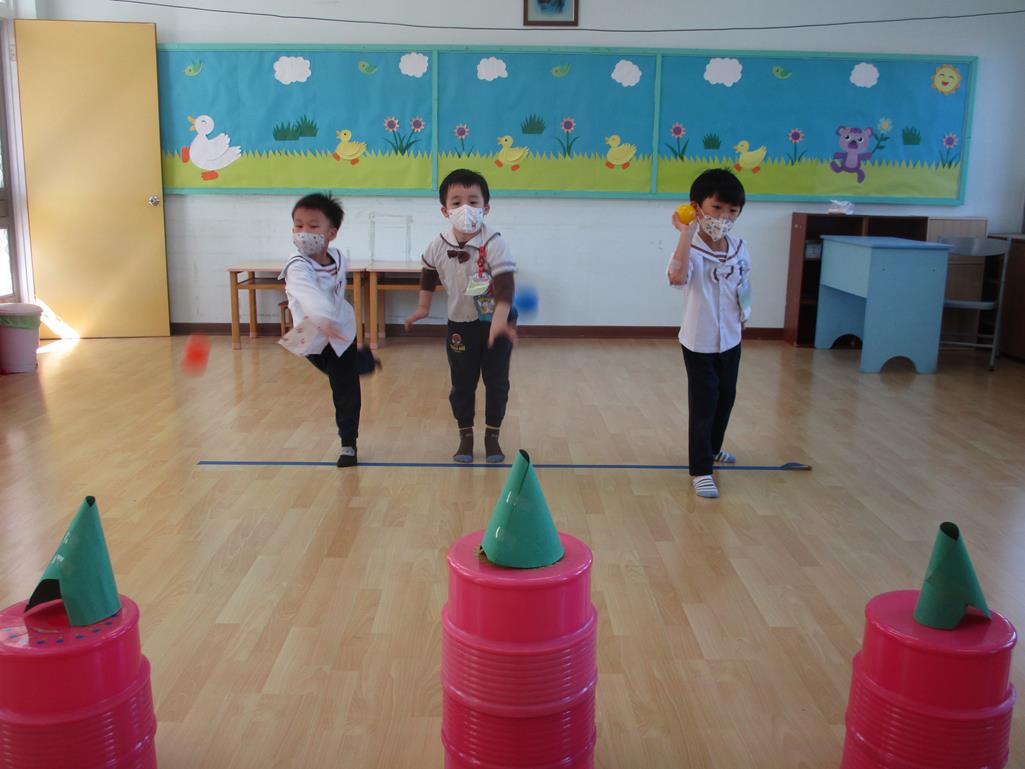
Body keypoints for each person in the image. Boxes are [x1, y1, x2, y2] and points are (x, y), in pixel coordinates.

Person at [405, 169, 517, 464]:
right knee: (462, 382)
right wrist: (423, 307)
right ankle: (465, 437)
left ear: (486, 208)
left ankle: (492, 437)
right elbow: (428, 271)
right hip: (460, 324)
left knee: (496, 381)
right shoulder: (438, 244)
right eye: (456, 202)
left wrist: (500, 320)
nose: (465, 208)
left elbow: (506, 284)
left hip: (496, 323)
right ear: (445, 210)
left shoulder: (494, 242)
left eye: (473, 201)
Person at [667, 169, 752, 498]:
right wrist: (684, 233)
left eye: (732, 211)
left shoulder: (739, 247)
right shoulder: (691, 248)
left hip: (731, 338)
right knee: (704, 403)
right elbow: (677, 277)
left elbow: (744, 284)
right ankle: (701, 469)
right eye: (717, 208)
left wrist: (745, 314)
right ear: (697, 207)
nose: (724, 217)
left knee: (726, 398)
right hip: (699, 341)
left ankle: (714, 449)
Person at [280, 193, 377, 468]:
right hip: (309, 335)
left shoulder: (338, 257)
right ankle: (357, 363)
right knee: (339, 371)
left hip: (341, 332)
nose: (304, 232)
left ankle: (348, 444)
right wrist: (323, 320)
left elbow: (335, 292)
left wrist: (333, 322)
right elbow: (308, 295)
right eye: (298, 225)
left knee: (345, 389)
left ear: (331, 233)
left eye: (313, 226)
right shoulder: (297, 267)